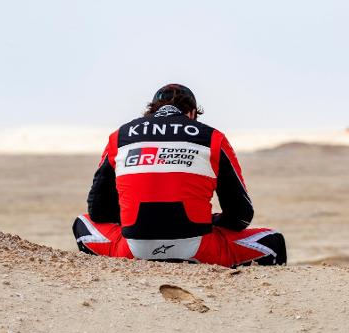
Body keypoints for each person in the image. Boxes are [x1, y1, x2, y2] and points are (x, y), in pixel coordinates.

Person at [72, 83, 286, 267]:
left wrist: (136, 220)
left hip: (131, 250)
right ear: (192, 113)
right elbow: (241, 215)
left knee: (83, 221)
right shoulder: (213, 138)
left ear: (151, 111)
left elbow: (98, 211)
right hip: (200, 250)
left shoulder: (119, 137)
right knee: (273, 240)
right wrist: (210, 220)